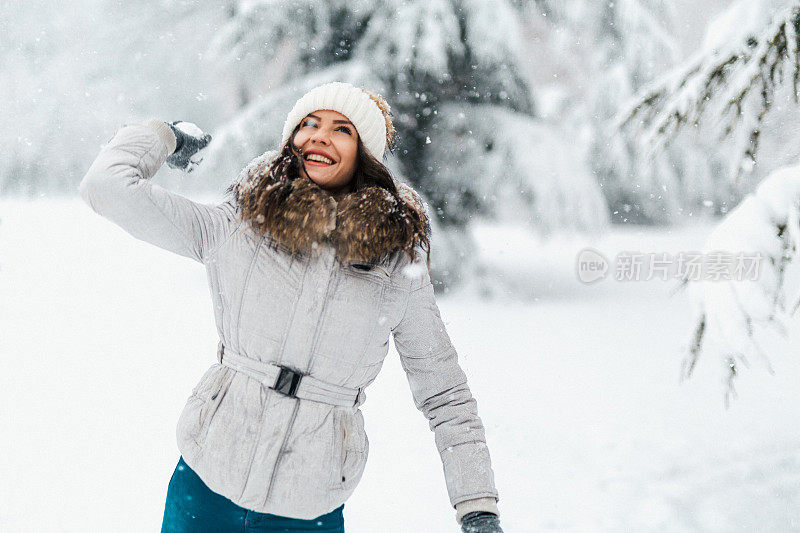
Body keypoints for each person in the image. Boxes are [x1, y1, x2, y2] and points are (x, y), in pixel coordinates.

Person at [79, 81, 502, 532]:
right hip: (205, 486)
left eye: (342, 129)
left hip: (309, 506)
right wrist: (163, 135)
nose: (319, 135)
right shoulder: (237, 225)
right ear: (292, 141)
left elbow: (445, 394)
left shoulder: (395, 264)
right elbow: (105, 186)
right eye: (309, 124)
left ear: (366, 155)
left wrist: (477, 507)